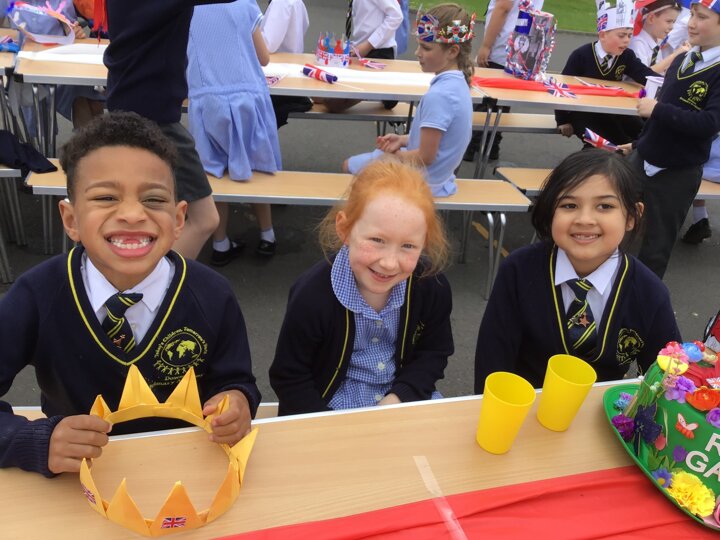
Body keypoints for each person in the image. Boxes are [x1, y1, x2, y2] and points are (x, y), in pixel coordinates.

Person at [0, 112, 260, 477]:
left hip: (187, 474)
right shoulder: (36, 296)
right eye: (106, 197)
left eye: (153, 199)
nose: (133, 214)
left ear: (179, 219)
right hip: (76, 481)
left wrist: (237, 402)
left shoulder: (212, 295)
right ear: (71, 220)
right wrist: (36, 441)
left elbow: (237, 381)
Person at [474, 150, 680, 392]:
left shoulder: (649, 292)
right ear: (551, 211)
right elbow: (492, 360)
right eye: (569, 205)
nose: (585, 219)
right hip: (523, 406)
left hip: (603, 411)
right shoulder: (519, 270)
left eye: (605, 206)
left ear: (632, 216)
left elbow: (669, 377)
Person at [269, 160, 454, 415]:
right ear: (345, 229)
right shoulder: (312, 296)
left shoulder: (431, 287)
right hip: (328, 408)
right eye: (377, 240)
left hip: (403, 398)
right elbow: (290, 377)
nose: (389, 263)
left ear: (424, 242)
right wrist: (331, 425)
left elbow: (433, 352)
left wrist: (398, 398)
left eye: (408, 246)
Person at [103, 0, 231, 259]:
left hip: (126, 107)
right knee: (204, 219)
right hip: (156, 121)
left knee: (147, 211)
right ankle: (154, 280)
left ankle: (138, 276)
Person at [620, 0, 720, 278]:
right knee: (615, 227)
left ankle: (640, 301)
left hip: (677, 173)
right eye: (692, 15)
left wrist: (657, 110)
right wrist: (637, 144)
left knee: (655, 247)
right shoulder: (681, 59)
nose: (691, 23)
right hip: (642, 160)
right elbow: (662, 117)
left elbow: (709, 124)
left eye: (702, 17)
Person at [343, 3, 474, 197]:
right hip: (440, 177)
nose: (417, 52)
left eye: (426, 48)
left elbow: (425, 157)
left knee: (348, 165)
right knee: (366, 161)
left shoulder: (440, 96)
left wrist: (394, 156)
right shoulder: (458, 84)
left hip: (422, 181)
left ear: (452, 51)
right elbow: (437, 142)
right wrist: (403, 139)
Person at [188, 0, 282, 263]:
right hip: (248, 100)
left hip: (206, 101)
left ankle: (220, 243)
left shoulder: (185, 8)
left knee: (214, 174)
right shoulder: (244, 4)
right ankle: (267, 235)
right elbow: (263, 58)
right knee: (256, 168)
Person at [557, 0, 654, 146]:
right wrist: (562, 120)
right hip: (583, 112)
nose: (626, 40)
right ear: (603, 35)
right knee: (601, 144)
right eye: (621, 35)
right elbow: (562, 86)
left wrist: (669, 83)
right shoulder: (581, 55)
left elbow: (644, 73)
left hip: (613, 110)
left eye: (629, 35)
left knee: (643, 134)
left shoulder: (627, 56)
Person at [464, 0, 545, 162]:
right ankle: (492, 144)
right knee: (502, 101)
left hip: (503, 45)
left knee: (484, 97)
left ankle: (472, 144)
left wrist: (486, 45)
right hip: (524, 46)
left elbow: (502, 8)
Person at [319, 0, 403, 112]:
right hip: (361, 51)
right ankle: (382, 90)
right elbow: (364, 25)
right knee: (319, 95)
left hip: (379, 52)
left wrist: (368, 44)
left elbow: (396, 16)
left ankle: (385, 90)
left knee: (333, 104)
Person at [260, 0, 313, 128]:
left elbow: (268, 44)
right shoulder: (295, 2)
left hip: (278, 74)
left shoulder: (280, 3)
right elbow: (305, 24)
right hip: (291, 69)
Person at [630, 0, 689, 74]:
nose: (672, 27)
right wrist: (674, 55)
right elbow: (642, 75)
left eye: (673, 22)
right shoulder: (638, 44)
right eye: (668, 21)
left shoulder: (656, 43)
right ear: (651, 18)